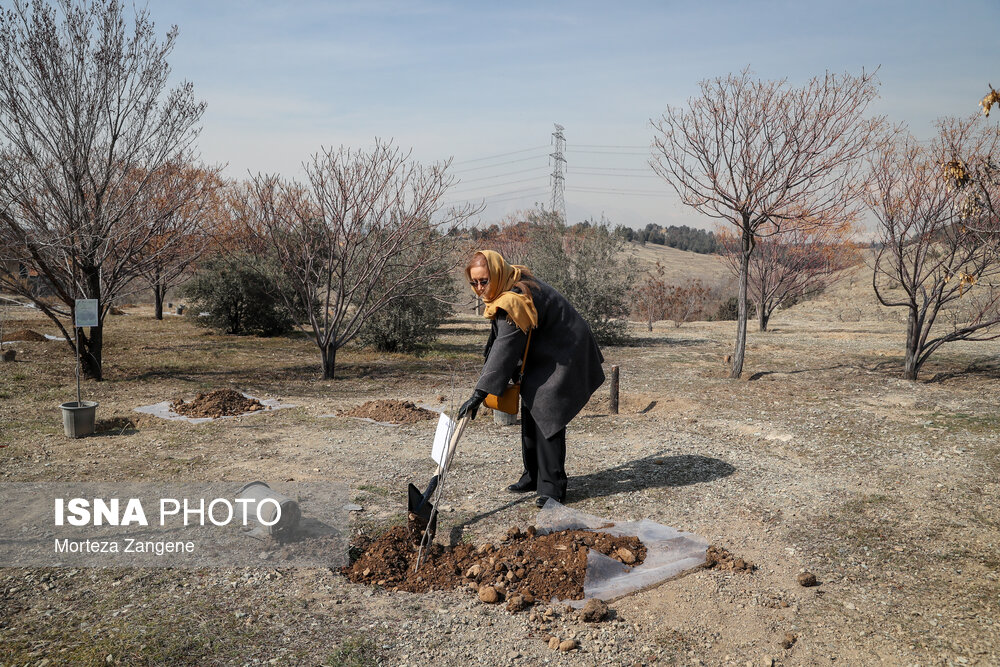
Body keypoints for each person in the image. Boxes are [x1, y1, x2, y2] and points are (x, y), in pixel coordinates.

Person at [458, 250, 605, 508]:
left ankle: (553, 487)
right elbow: (502, 340)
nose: (480, 288)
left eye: (484, 281)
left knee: (547, 408)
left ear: (497, 273)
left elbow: (506, 346)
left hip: (567, 349)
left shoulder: (513, 299)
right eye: (474, 282)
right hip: (549, 347)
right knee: (529, 401)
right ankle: (533, 475)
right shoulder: (508, 282)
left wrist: (479, 394)